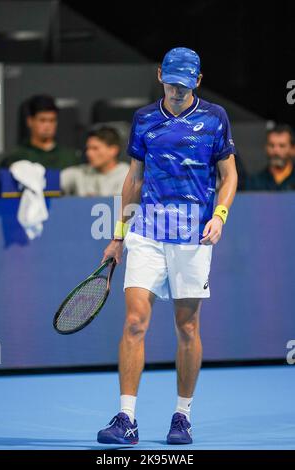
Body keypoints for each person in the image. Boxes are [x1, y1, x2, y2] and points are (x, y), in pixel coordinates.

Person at [97, 47, 238, 445]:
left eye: (185, 85)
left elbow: (229, 176)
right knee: (135, 321)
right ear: (160, 75)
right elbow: (135, 180)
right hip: (148, 233)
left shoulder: (215, 119)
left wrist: (220, 216)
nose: (177, 91)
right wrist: (118, 234)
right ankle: (126, 419)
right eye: (172, 83)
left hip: (194, 236)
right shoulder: (143, 120)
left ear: (198, 79)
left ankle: (182, 416)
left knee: (187, 327)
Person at [1, 95, 80, 169]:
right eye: (42, 120)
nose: (47, 126)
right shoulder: (17, 157)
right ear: (30, 121)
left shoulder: (70, 158)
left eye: (52, 120)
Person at [60, 127, 129, 196]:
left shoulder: (128, 175)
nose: (88, 153)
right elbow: (52, 181)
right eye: (88, 149)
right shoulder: (80, 172)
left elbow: (120, 205)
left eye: (95, 148)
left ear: (113, 150)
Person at [246, 124, 295, 190]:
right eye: (271, 145)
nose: (276, 151)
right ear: (266, 148)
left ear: (293, 149)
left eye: (282, 146)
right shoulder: (255, 182)